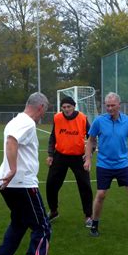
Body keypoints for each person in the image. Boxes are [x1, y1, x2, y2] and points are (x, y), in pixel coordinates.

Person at [0, 92, 56, 255]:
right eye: (45, 109)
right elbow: (12, 141)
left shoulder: (16, 120)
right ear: (41, 107)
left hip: (10, 185)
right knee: (42, 227)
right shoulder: (26, 123)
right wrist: (13, 168)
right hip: (22, 184)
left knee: (19, 221)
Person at [83, 92, 128, 237]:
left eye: (113, 105)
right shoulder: (99, 121)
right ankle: (94, 225)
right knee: (101, 194)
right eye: (107, 106)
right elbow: (90, 140)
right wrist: (88, 159)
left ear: (119, 105)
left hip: (122, 165)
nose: (110, 108)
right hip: (104, 165)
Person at [46, 96, 93, 227]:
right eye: (64, 107)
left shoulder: (82, 118)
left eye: (69, 107)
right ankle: (54, 211)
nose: (66, 109)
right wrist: (50, 154)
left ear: (74, 106)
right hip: (60, 156)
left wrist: (89, 155)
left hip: (79, 157)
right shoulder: (57, 118)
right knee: (51, 184)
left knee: (85, 186)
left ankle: (88, 215)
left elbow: (91, 137)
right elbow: (53, 136)